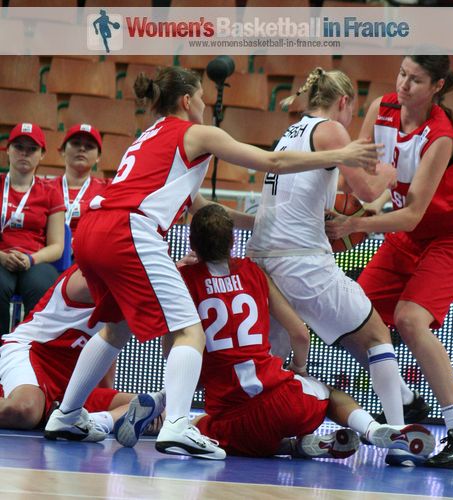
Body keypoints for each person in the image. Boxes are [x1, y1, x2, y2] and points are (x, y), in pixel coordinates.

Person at [43, 65, 382, 460]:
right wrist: (342, 153)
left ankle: (66, 415)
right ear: (187, 101)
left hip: (91, 228)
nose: (205, 103)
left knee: (114, 329)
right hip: (128, 229)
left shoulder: (148, 138)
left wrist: (261, 221)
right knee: (191, 332)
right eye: (202, 97)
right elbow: (271, 161)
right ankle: (178, 425)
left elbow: (202, 207)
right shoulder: (197, 132)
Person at [114, 204, 435, 460]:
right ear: (232, 241)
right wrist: (297, 369)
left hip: (229, 411)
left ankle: (159, 406)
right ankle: (373, 430)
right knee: (330, 395)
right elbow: (300, 333)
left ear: (192, 243)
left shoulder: (184, 281)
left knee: (201, 424)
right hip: (280, 398)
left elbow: (174, 354)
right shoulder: (255, 272)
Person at [246, 67, 430, 467]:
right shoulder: (330, 128)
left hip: (261, 262)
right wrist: (395, 168)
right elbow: (365, 189)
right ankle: (399, 433)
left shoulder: (292, 131)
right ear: (343, 103)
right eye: (352, 111)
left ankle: (277, 435)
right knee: (377, 335)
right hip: (301, 261)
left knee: (278, 370)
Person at [327, 56, 453, 469]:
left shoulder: (442, 137)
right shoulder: (381, 110)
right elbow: (371, 184)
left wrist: (354, 223)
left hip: (452, 239)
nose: (404, 84)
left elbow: (412, 213)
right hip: (406, 237)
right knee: (352, 314)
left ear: (437, 86)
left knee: (411, 320)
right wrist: (343, 167)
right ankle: (404, 398)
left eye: (415, 80)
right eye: (401, 74)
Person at [0, 264, 165, 436]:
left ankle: (92, 421)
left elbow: (111, 342)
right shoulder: (86, 277)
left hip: (73, 380)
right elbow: (139, 286)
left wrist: (107, 395)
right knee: (25, 410)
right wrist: (176, 275)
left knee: (154, 409)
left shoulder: (131, 284)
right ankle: (68, 419)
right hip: (34, 353)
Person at [0, 123, 65, 335]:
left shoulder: (51, 192)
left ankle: (30, 352)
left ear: (42, 154)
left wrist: (31, 259)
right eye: (19, 147)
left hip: (35, 260)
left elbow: (57, 246)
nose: (24, 153)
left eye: (32, 149)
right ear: (8, 149)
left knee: (43, 285)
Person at [51, 123, 108, 236]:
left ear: (98, 157)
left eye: (89, 146)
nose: (82, 149)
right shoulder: (45, 188)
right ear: (62, 150)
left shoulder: (108, 189)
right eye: (76, 143)